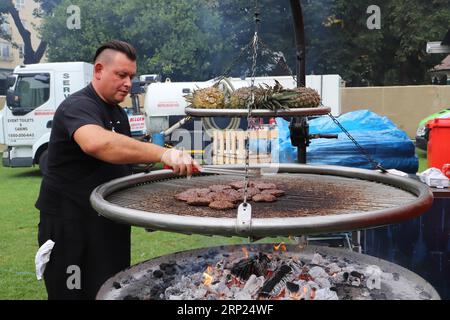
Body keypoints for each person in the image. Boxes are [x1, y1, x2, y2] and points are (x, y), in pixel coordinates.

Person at [35, 40, 198, 300]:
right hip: (72, 227)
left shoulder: (117, 114)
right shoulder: (77, 106)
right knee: (75, 294)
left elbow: (121, 163)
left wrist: (146, 208)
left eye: (131, 76)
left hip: (109, 223)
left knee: (112, 289)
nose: (128, 83)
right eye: (121, 75)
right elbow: (97, 143)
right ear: (99, 70)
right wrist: (163, 152)